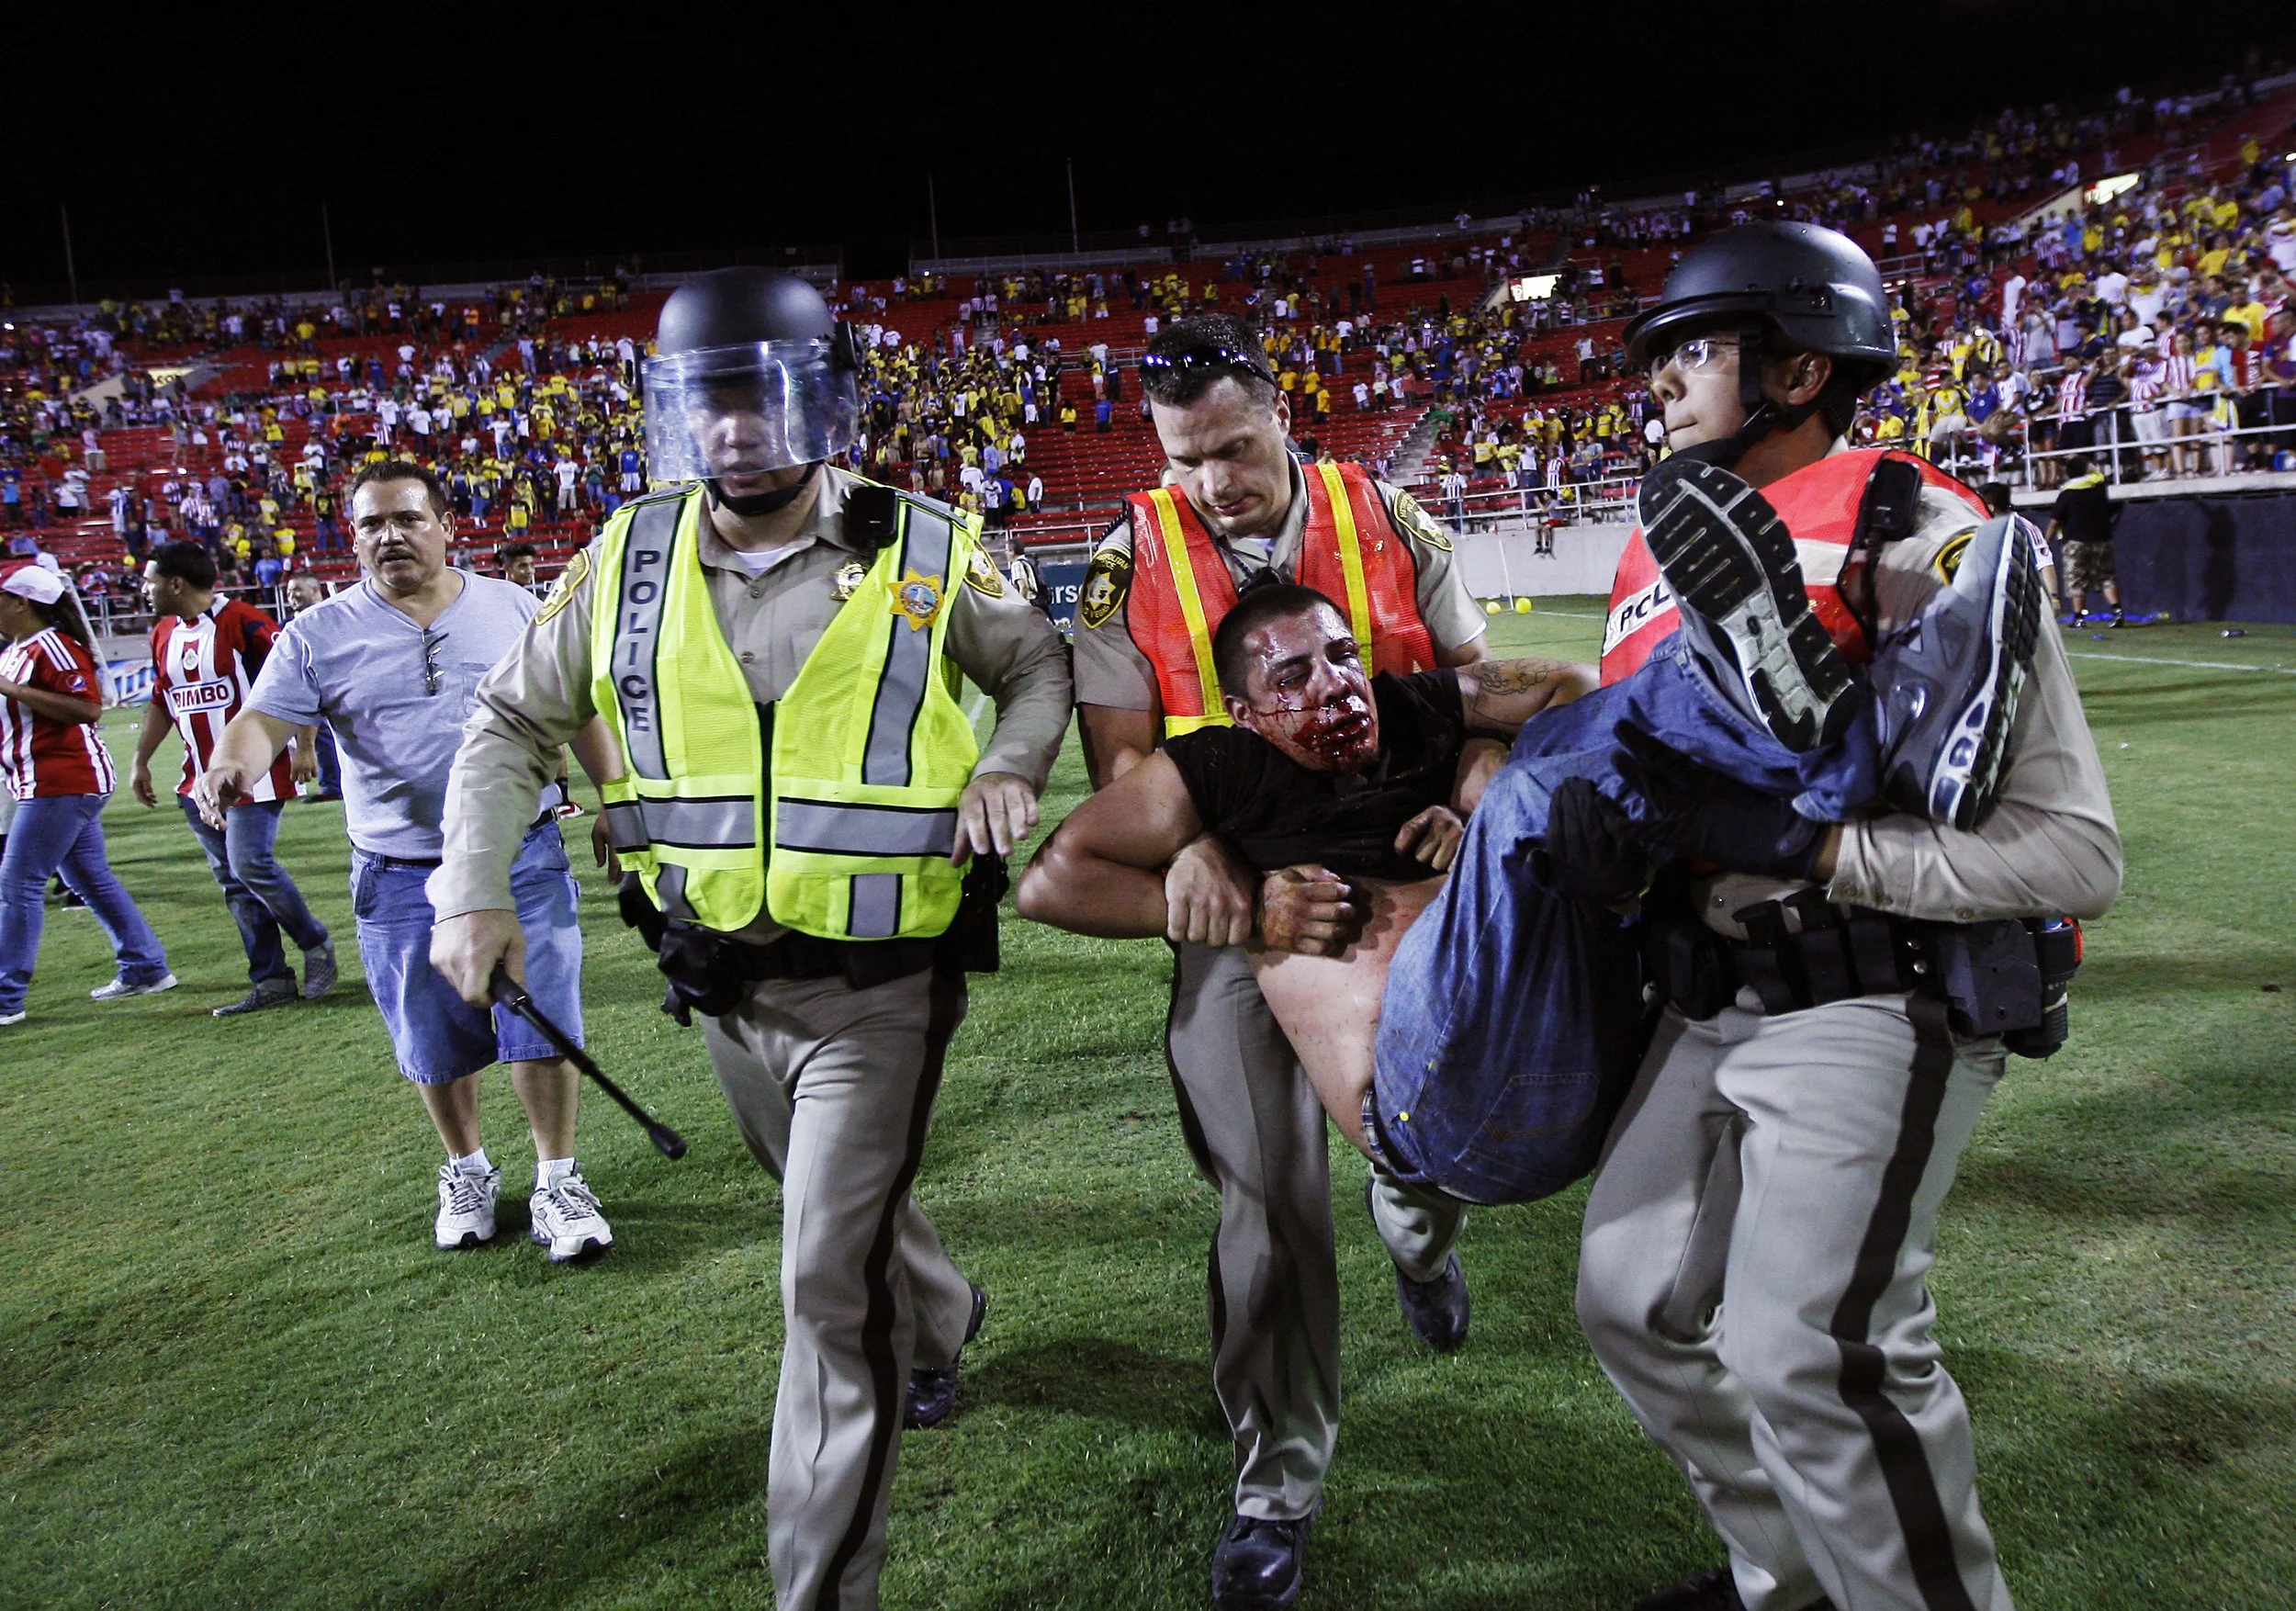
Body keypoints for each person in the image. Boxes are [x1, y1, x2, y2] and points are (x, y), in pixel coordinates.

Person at [422, 269, 1071, 1611]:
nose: (737, 430)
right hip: (718, 983)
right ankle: (947, 1314)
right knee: (837, 1215)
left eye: (763, 395)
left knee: (823, 1289)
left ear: (825, 399)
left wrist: (1011, 763)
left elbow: (1038, 666)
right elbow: (506, 723)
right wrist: (468, 889)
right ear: (673, 417)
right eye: (707, 403)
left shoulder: (936, 547)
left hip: (884, 984)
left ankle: (818, 1591)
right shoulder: (620, 555)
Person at [1559, 222, 2122, 1611]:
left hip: (1879, 984)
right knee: (1627, 1302)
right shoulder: (1656, 546)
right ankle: (1795, 1580)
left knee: (1812, 1348)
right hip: (1703, 992)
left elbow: (2073, 853)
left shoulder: (1922, 528)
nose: (1661, 382)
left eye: (1695, 347)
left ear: (1801, 366)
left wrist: (1810, 841)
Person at [1072, 311, 1488, 1610]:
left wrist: (1473, 805)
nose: (1213, 483)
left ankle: (1419, 1236)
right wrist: (1199, 855)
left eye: (1236, 449)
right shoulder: (1123, 553)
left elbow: (1474, 695)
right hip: (1249, 908)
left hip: (1417, 889)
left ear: (1281, 417)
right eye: (1187, 458)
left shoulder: (1390, 515)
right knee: (1265, 1197)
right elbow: (1123, 758)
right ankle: (1278, 1477)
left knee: (1440, 1133)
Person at [194, 461, 622, 1263]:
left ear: (446, 524)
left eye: (407, 518)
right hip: (398, 870)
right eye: (370, 524)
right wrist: (232, 764)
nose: (389, 535)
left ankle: (558, 1179)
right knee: (433, 1038)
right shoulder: (316, 634)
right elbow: (262, 718)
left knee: (542, 1019)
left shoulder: (517, 607)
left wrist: (615, 797)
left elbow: (579, 704)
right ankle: (467, 1169)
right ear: (351, 538)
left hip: (517, 854)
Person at [1021, 584, 1593, 1154]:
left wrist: (1503, 796)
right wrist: (1250, 911)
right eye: (1292, 677)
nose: (1334, 684)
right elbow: (1051, 883)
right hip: (1417, 1095)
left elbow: (1579, 681)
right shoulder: (1221, 767)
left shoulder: (1415, 706)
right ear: (1244, 713)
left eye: (1343, 656)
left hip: (1532, 1019)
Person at [130, 542, 337, 1016]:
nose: (144, 589)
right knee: (232, 881)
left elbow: (300, 681)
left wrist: (305, 745)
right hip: (195, 781)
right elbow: (163, 701)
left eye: (150, 580)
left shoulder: (246, 622)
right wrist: (142, 761)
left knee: (249, 865)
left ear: (175, 583)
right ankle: (271, 980)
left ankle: (315, 940)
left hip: (253, 775)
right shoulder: (163, 632)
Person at [0, 563, 175, 1026]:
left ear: (21, 601)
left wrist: (9, 688)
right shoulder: (17, 649)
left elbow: (87, 707)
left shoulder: (53, 646)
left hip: (63, 779)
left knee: (18, 883)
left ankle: (5, 995)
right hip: (45, 779)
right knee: (88, 880)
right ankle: (145, 965)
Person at [281, 573, 343, 799]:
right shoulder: (287, 625)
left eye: (297, 590)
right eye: (288, 592)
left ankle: (333, 786)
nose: (292, 596)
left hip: (328, 687)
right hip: (297, 691)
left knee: (323, 733)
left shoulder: (330, 616)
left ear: (315, 591)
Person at [2046, 455, 2120, 625]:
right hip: (2102, 538)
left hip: (2076, 540)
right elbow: (2095, 471)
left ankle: (2079, 618)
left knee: (2076, 579)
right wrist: (2079, 459)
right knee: (2106, 576)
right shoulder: (2098, 485)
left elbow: (2054, 521)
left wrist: (2045, 542)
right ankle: (2117, 611)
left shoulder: (2068, 493)